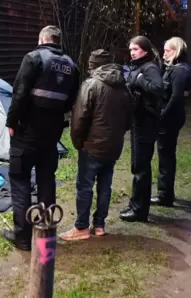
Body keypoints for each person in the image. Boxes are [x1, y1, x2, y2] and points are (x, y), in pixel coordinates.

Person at [0, 25, 80, 250]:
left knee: (20, 178)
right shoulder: (72, 66)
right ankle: (45, 232)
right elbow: (70, 101)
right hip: (52, 133)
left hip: (26, 131)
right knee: (46, 179)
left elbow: (20, 92)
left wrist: (11, 122)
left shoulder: (34, 58)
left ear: (42, 38)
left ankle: (23, 237)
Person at [59, 49, 132, 241]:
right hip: (113, 146)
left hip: (92, 146)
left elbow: (79, 118)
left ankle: (81, 227)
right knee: (105, 185)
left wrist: (78, 142)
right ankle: (100, 225)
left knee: (84, 186)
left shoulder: (91, 85)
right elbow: (129, 120)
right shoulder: (124, 86)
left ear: (93, 65)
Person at [120, 36, 164, 222]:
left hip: (147, 122)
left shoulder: (149, 68)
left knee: (141, 167)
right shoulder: (138, 68)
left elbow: (157, 89)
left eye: (135, 49)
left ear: (145, 50)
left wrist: (139, 80)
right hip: (138, 122)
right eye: (131, 49)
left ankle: (139, 210)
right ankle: (136, 204)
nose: (132, 52)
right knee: (137, 165)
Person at [151, 37, 191, 207]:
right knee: (167, 155)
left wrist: (161, 115)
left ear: (176, 51)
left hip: (170, 119)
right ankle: (166, 192)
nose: (164, 54)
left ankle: (165, 195)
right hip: (173, 117)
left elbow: (175, 98)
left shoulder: (180, 71)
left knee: (166, 156)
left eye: (167, 50)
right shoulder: (178, 69)